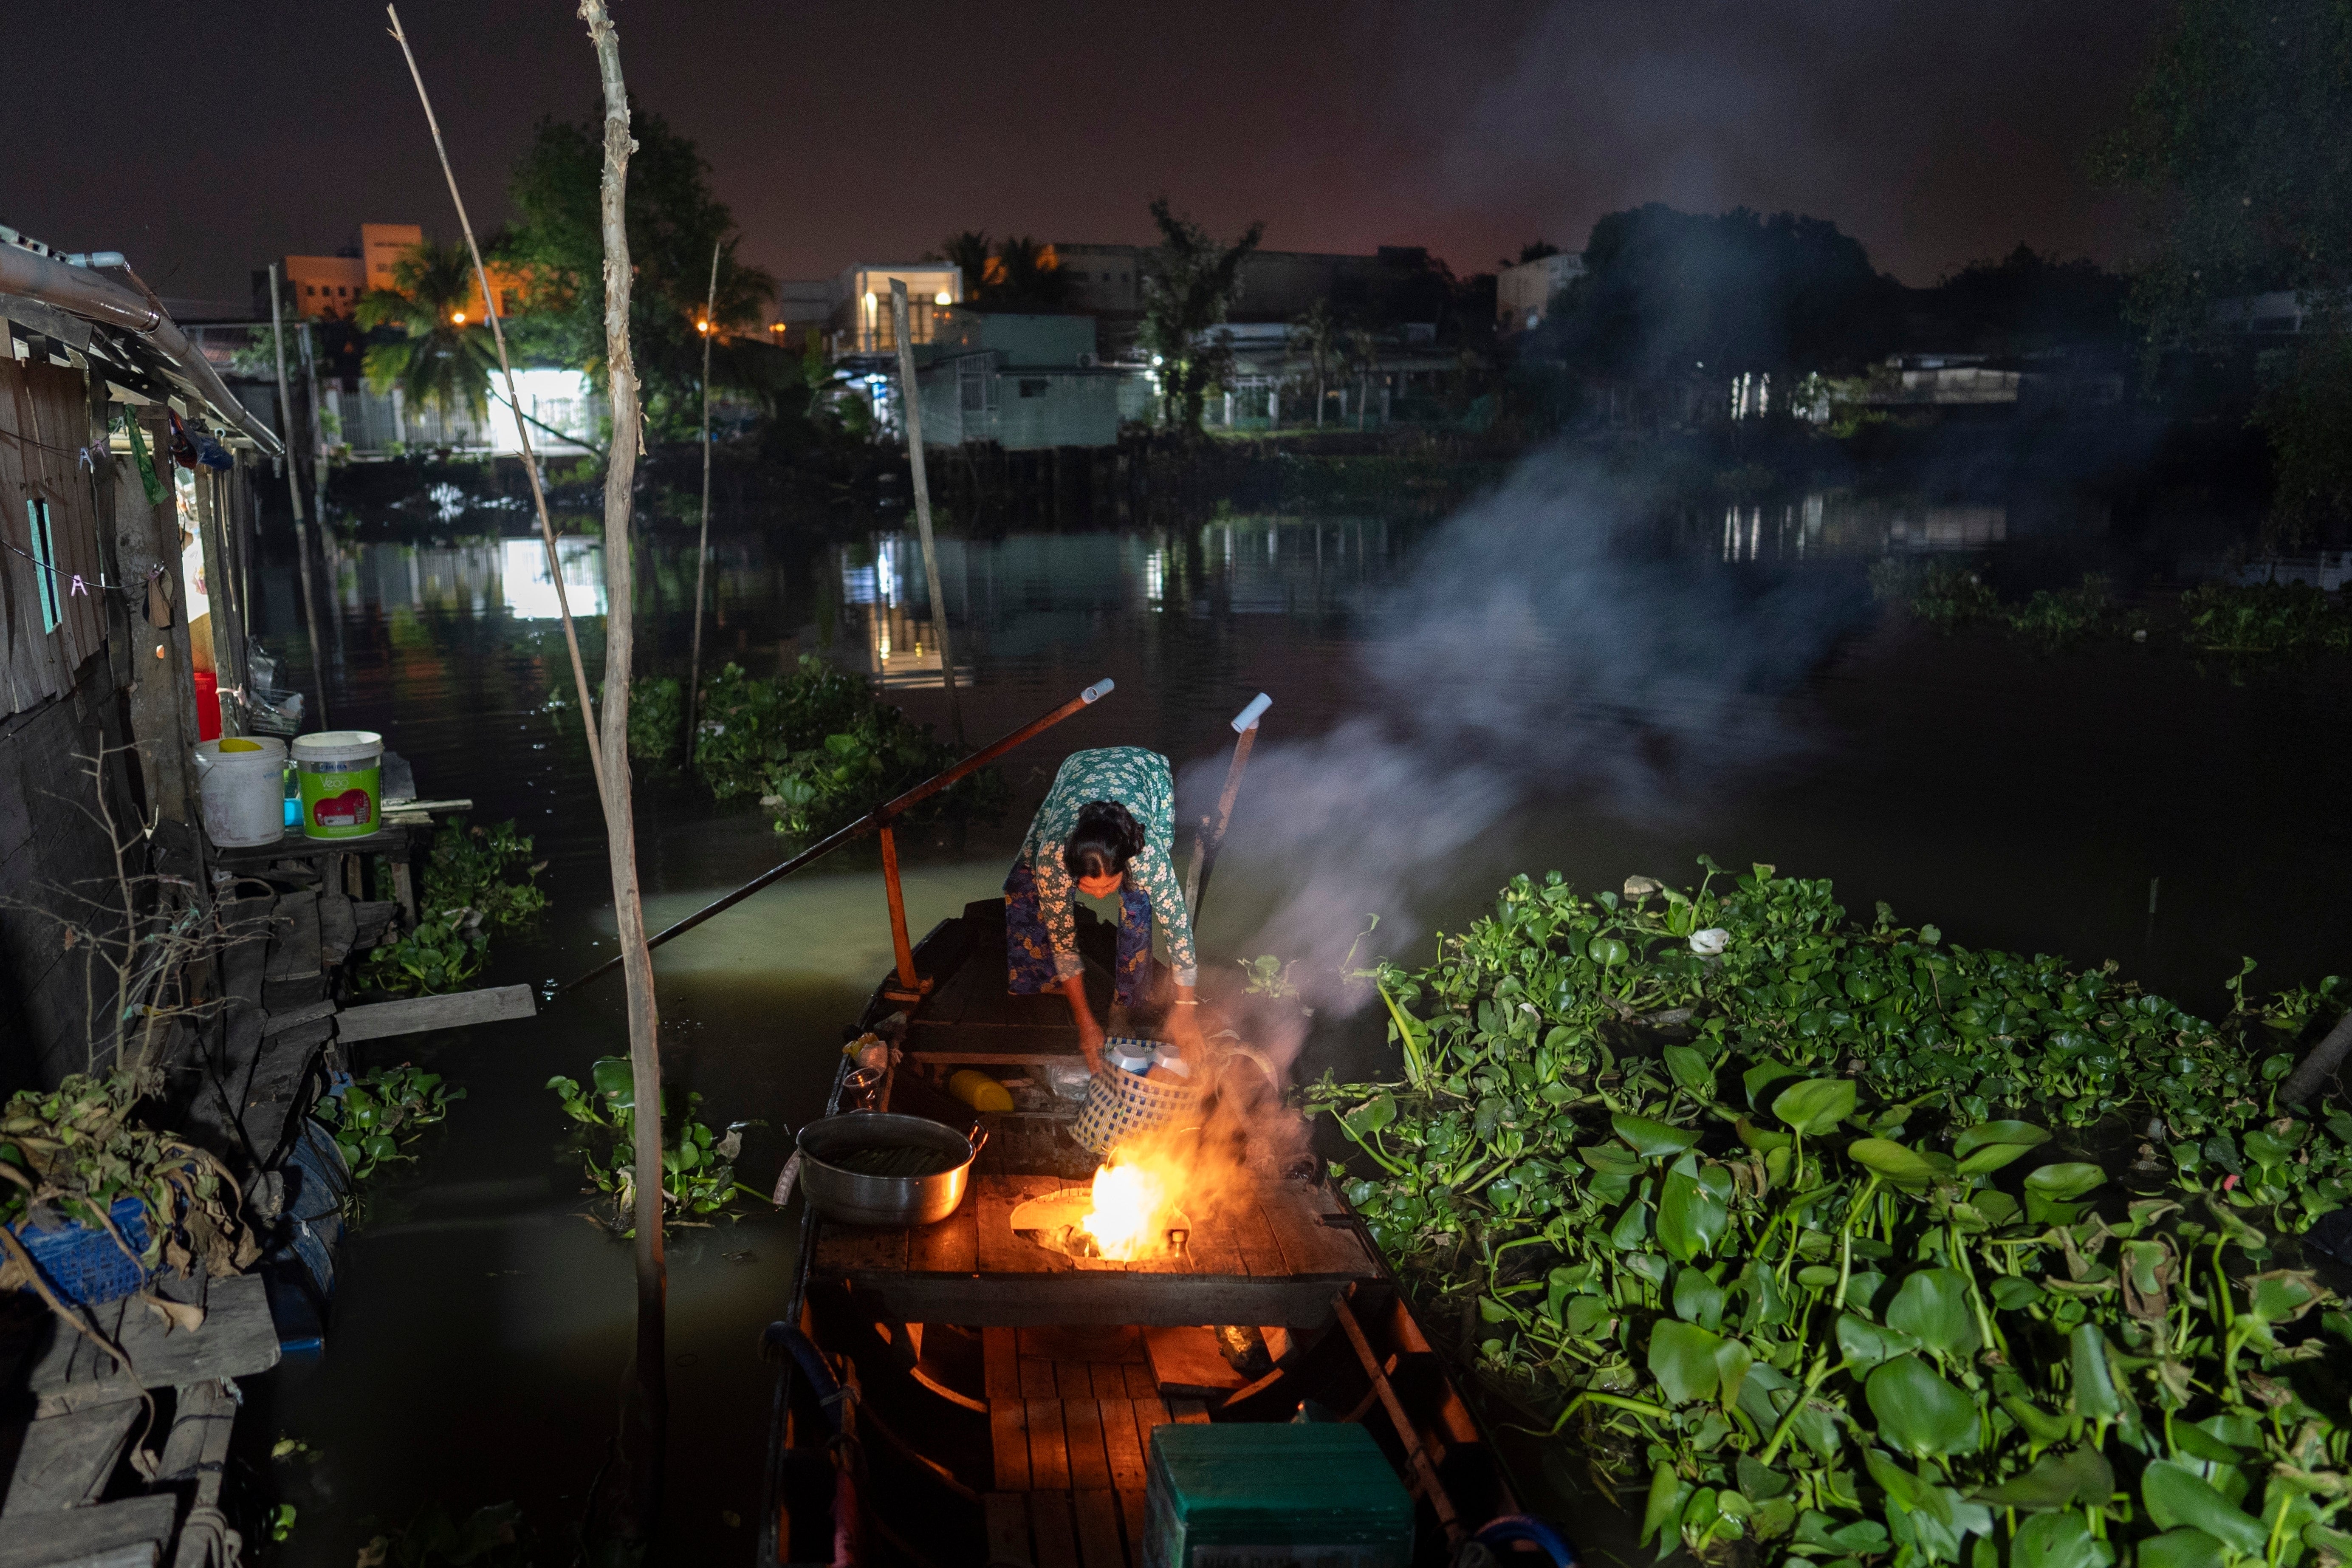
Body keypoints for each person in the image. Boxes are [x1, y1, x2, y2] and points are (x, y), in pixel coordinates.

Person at [1005, 746, 1203, 1073]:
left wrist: (1185, 1011)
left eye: (1107, 886)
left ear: (1124, 866)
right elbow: (1064, 944)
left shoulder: (1145, 855)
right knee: (1023, 883)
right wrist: (1085, 1024)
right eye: (1086, 887)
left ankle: (1123, 1004)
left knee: (1137, 907)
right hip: (1077, 770)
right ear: (1070, 869)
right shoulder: (1053, 858)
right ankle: (1037, 980)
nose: (1098, 898)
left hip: (1145, 771)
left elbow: (1178, 931)